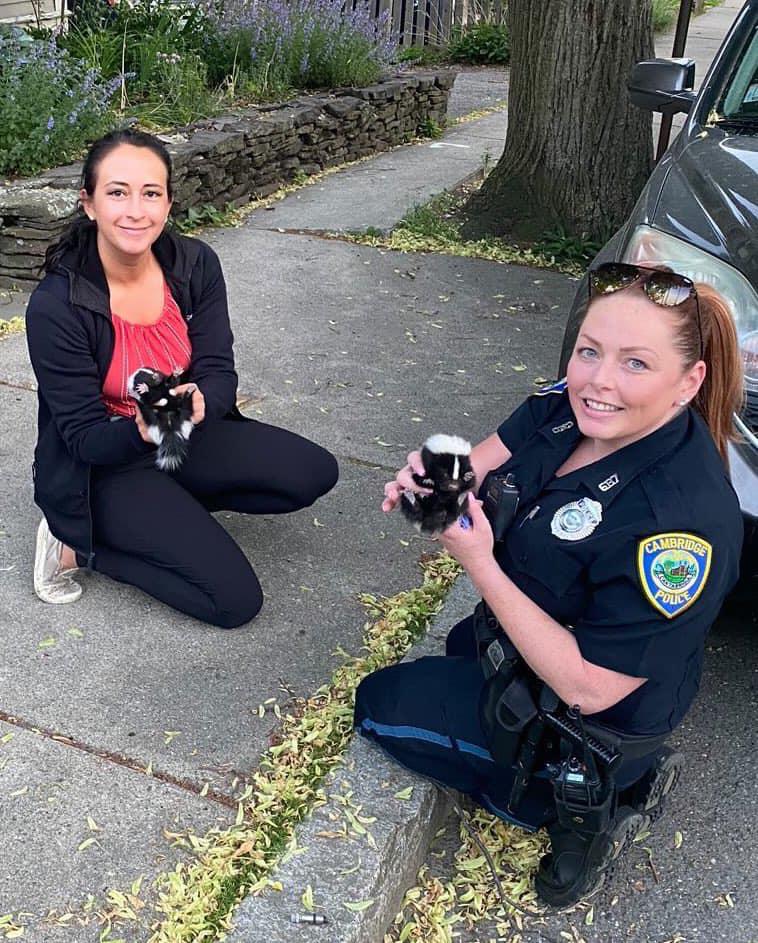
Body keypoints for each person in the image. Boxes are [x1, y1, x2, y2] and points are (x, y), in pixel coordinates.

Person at [354, 263, 744, 905]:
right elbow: (480, 463)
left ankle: (581, 812)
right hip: (529, 644)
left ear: (689, 381)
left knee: (379, 706)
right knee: (459, 653)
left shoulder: (678, 528)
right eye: (591, 350)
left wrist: (478, 560)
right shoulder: (569, 405)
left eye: (635, 364)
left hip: (591, 715)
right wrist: (435, 481)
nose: (599, 380)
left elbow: (587, 687)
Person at [27, 129, 338, 628]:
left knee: (313, 472)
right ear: (88, 203)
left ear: (169, 203)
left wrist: (202, 402)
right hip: (104, 466)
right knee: (234, 602)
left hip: (181, 433)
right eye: (117, 192)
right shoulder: (57, 306)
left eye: (151, 193)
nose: (135, 211)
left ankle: (167, 513)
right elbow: (83, 439)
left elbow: (219, 369)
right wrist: (142, 429)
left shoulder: (194, 266)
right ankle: (77, 548)